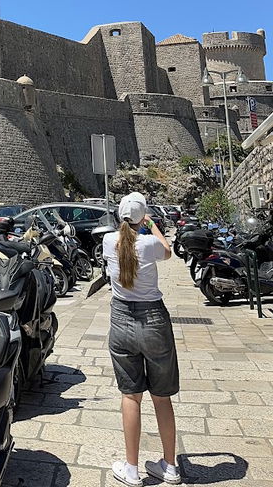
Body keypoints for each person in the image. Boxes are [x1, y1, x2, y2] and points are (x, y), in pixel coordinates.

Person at [105, 194, 181, 486]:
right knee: (161, 398)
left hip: (121, 319)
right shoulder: (149, 243)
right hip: (154, 321)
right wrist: (154, 226)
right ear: (142, 217)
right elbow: (168, 251)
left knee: (130, 396)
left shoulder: (108, 242)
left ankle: (132, 468)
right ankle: (170, 466)